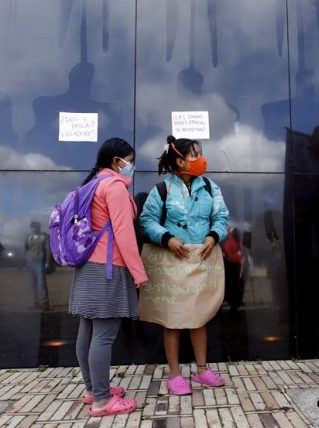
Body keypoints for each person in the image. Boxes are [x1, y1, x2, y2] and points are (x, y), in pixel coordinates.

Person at [140, 135, 229, 396]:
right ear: (180, 160)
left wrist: (214, 235)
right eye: (195, 155)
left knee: (199, 317)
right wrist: (166, 239)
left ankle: (202, 370)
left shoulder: (211, 188)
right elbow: (147, 221)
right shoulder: (162, 190)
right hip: (173, 262)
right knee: (174, 320)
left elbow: (221, 216)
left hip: (201, 259)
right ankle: (175, 374)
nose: (201, 159)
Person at [68, 137, 147, 417]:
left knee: (87, 331)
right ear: (117, 161)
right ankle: (102, 401)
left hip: (87, 267)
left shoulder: (91, 185)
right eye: (131, 160)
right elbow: (125, 235)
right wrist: (139, 272)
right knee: (103, 336)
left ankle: (92, 390)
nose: (132, 166)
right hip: (108, 268)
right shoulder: (113, 187)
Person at [25, 220, 50, 310]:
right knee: (33, 283)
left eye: (35, 227)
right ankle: (35, 302)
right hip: (30, 262)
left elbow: (48, 250)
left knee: (42, 283)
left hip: (40, 262)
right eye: (32, 227)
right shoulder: (28, 237)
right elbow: (26, 249)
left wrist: (47, 262)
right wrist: (26, 259)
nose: (33, 228)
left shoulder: (44, 237)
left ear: (38, 227)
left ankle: (45, 302)